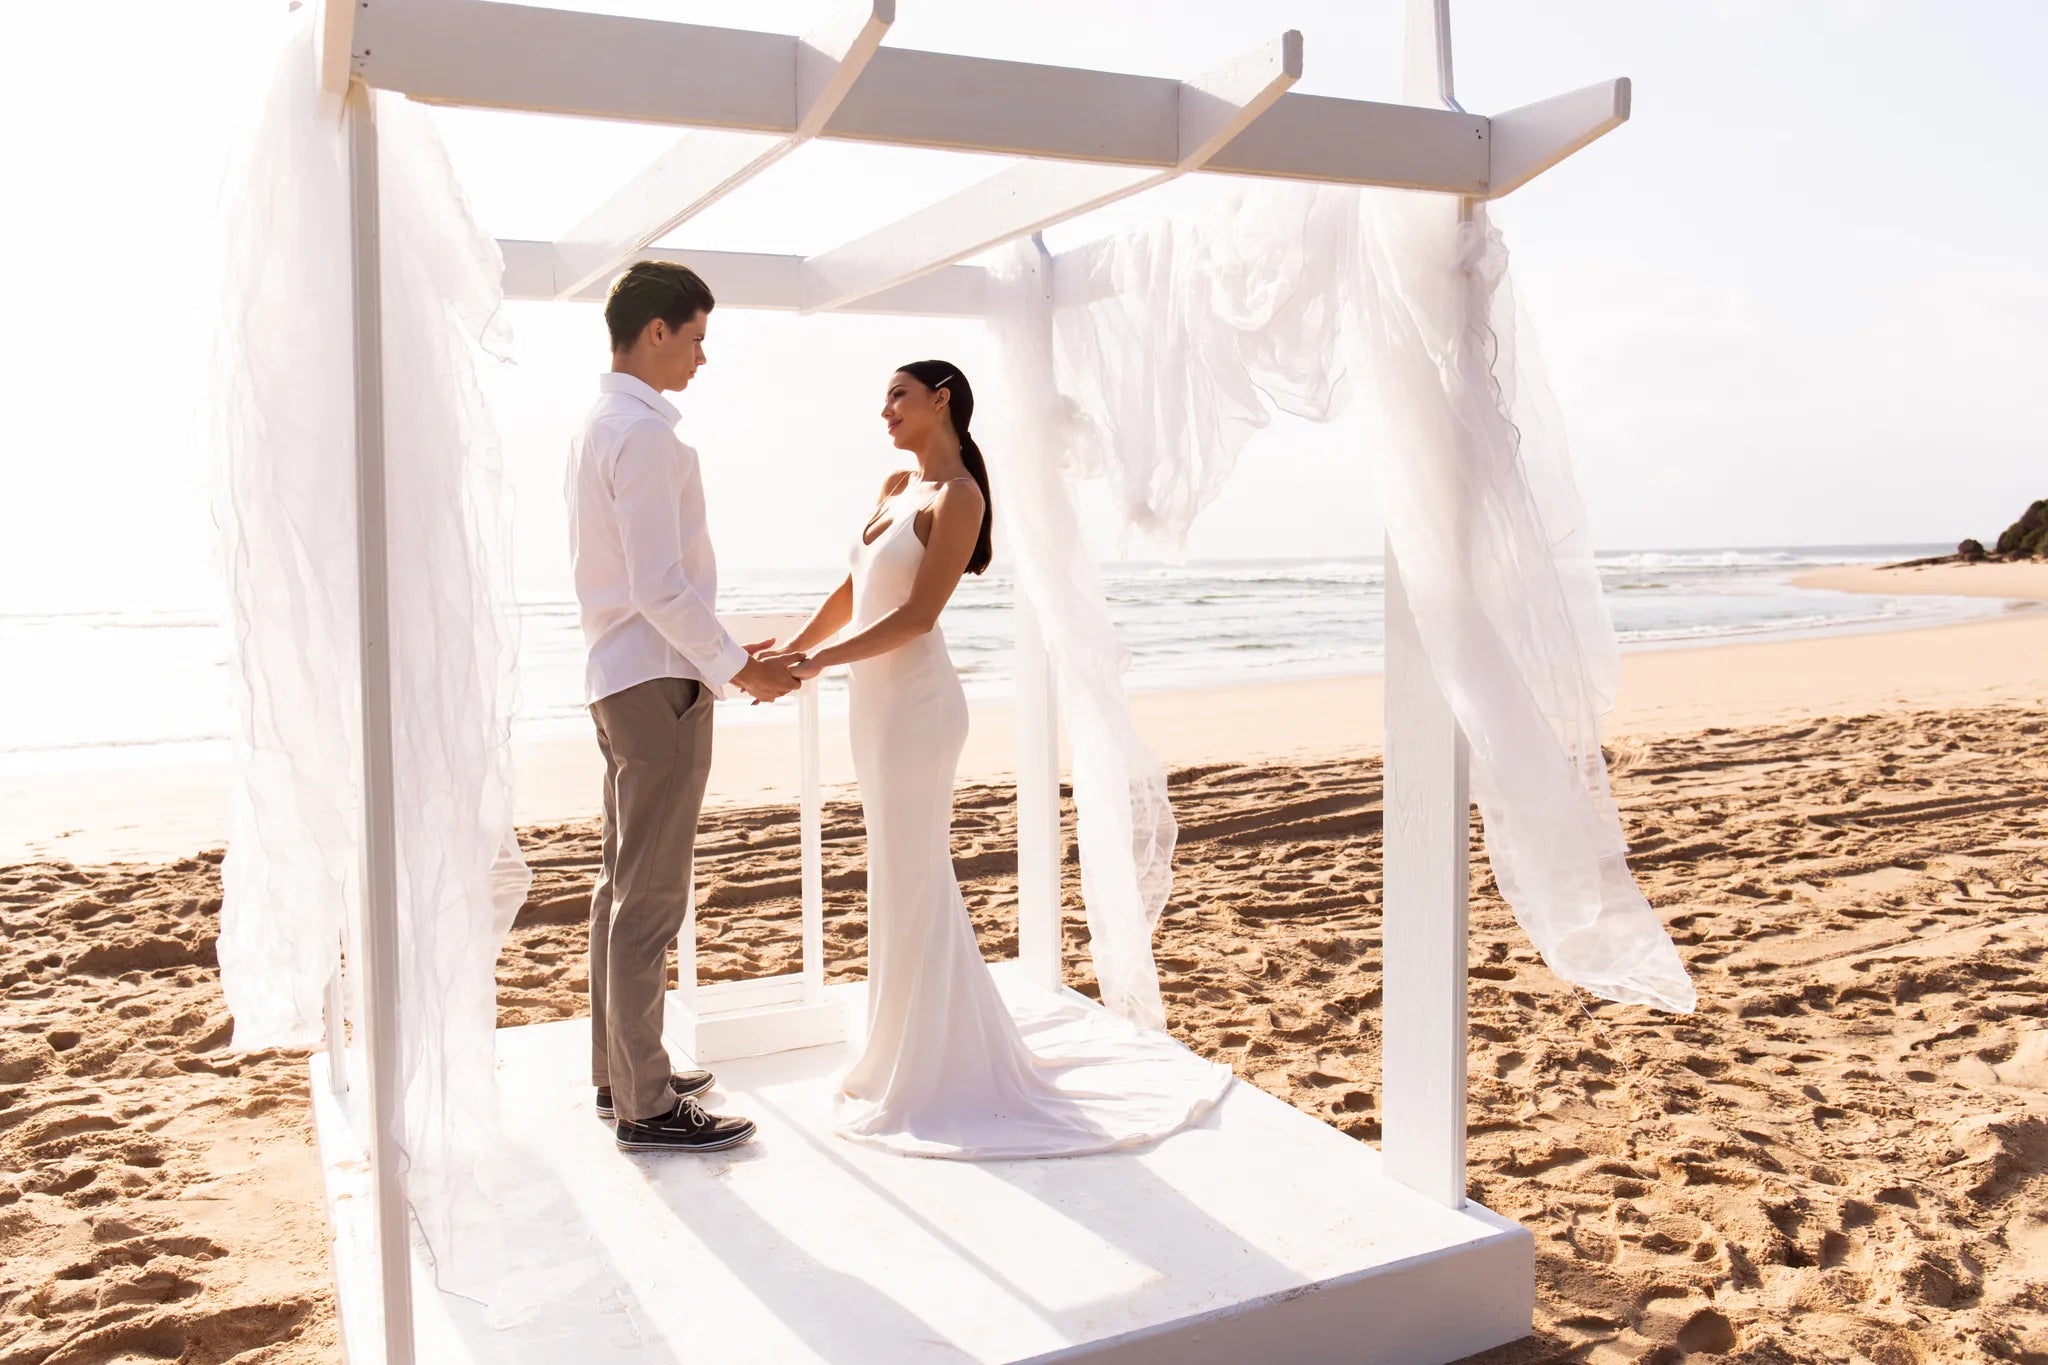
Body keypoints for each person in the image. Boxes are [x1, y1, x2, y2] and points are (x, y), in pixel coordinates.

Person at [770, 362, 1231, 1159]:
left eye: (898, 396)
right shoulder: (893, 484)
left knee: (915, 870)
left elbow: (916, 615)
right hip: (870, 707)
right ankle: (896, 1047)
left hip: (916, 706)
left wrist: (818, 663)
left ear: (941, 399)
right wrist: (797, 648)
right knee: (895, 868)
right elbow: (854, 590)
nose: (885, 410)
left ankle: (931, 1061)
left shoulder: (961, 497)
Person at [565, 260, 796, 1153]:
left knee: (620, 886)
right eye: (696, 337)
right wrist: (739, 666)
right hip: (655, 682)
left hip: (617, 676)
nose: (702, 357)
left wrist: (727, 653)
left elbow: (639, 583)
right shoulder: (644, 435)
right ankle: (648, 1104)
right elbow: (662, 587)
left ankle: (620, 1072)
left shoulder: (598, 427)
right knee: (649, 897)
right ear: (654, 331)